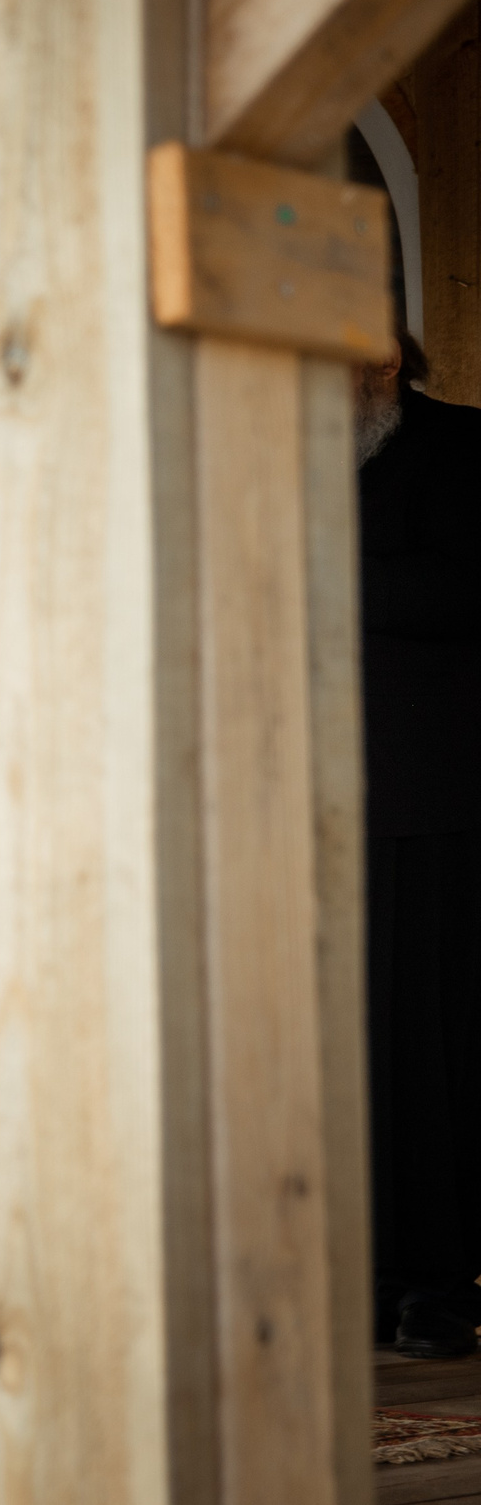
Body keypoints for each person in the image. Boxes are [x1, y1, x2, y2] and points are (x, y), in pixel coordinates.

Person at [358, 331, 481, 1360]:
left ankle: (434, 1282)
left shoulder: (462, 452)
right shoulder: (274, 458)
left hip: (430, 801)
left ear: (391, 361)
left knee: (428, 1050)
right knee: (333, 1054)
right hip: (290, 807)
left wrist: (320, 580)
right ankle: (348, 1273)